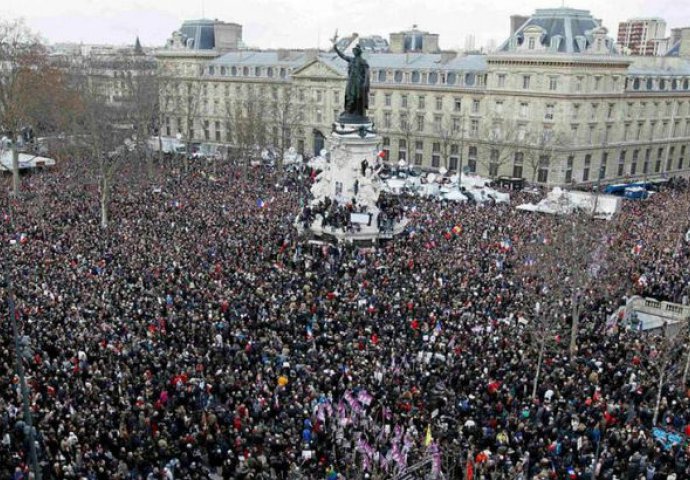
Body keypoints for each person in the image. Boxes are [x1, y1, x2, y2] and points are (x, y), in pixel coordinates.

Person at [332, 34, 370, 119]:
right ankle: (348, 110)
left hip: (358, 81)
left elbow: (367, 72)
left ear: (359, 52)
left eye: (356, 50)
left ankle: (356, 112)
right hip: (351, 80)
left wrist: (365, 82)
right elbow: (342, 56)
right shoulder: (351, 59)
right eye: (354, 50)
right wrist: (335, 48)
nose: (354, 51)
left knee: (357, 96)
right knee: (349, 94)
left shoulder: (363, 61)